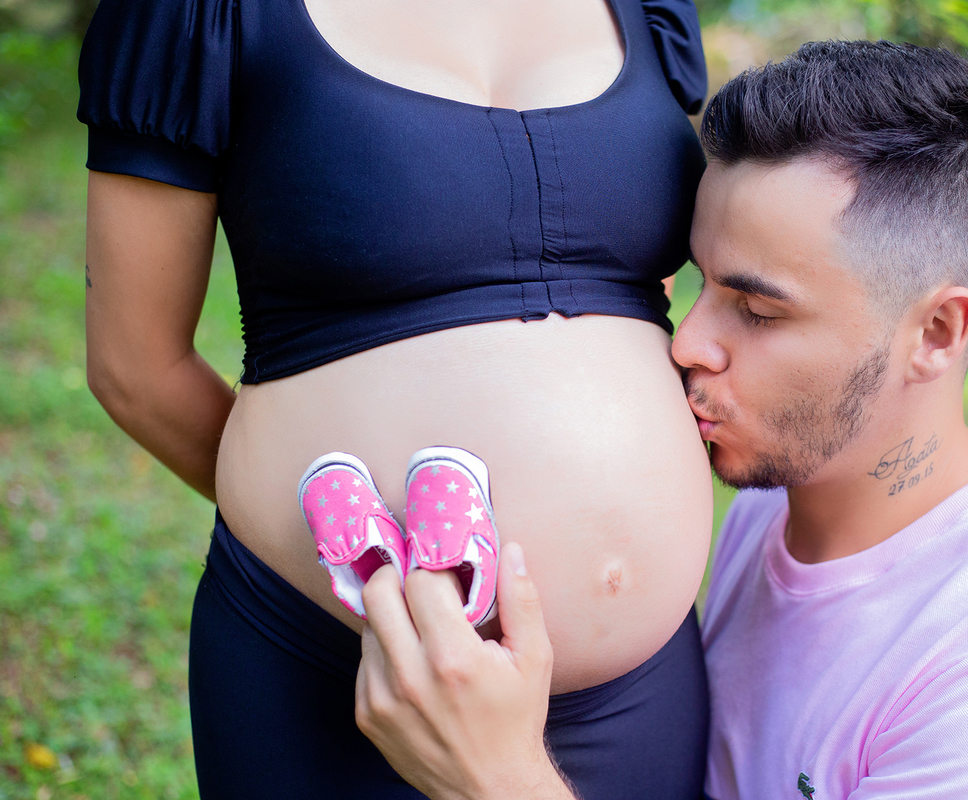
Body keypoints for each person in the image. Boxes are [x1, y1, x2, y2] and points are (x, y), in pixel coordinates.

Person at [354, 41, 968, 800]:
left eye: (756, 310)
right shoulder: (777, 502)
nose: (688, 344)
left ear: (935, 333)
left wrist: (497, 779)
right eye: (701, 284)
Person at [76, 0, 715, 797]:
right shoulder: (206, 15)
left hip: (640, 687)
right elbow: (136, 368)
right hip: (343, 664)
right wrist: (306, 534)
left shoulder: (647, 11)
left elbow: (647, 292)